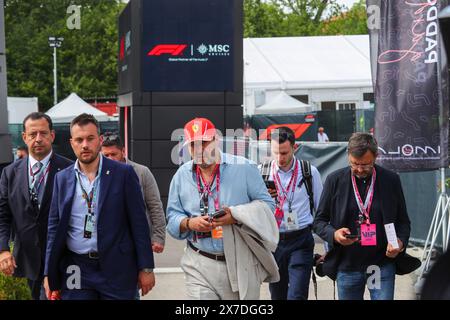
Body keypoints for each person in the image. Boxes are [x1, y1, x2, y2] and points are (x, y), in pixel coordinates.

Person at [43, 113, 155, 300]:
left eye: (90, 138)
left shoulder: (123, 174)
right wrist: (49, 273)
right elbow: (53, 228)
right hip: (76, 268)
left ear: (100, 141)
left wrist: (146, 267)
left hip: (117, 268)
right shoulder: (62, 179)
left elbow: (139, 223)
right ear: (72, 143)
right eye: (79, 140)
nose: (85, 145)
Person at [166, 118, 279, 300]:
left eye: (204, 143)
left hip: (240, 262)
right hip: (198, 262)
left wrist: (235, 216)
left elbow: (268, 206)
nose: (199, 150)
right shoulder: (181, 175)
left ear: (216, 140)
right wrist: (188, 223)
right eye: (193, 145)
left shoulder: (245, 168)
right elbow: (172, 217)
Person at [313, 132, 411, 300]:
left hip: (381, 263)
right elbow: (319, 222)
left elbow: (403, 221)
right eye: (354, 164)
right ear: (348, 156)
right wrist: (334, 235)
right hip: (347, 265)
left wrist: (400, 243)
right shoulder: (334, 180)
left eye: (366, 165)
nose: (359, 169)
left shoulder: (390, 180)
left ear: (376, 157)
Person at [0, 112, 72, 300]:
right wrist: (3, 249)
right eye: (32, 134)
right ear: (24, 137)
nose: (38, 139)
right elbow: (3, 214)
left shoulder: (70, 170)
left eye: (43, 133)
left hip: (64, 258)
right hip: (28, 259)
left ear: (52, 136)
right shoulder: (10, 173)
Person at [262, 126, 323, 300]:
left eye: (284, 153)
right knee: (277, 295)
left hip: (301, 240)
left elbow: (322, 211)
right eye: (276, 153)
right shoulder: (261, 173)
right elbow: (252, 210)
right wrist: (263, 199)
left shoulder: (310, 172)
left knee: (297, 295)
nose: (280, 158)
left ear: (295, 148)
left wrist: (329, 250)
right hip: (273, 241)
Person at [101, 133, 166, 253]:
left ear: (123, 151)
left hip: (138, 241)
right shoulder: (98, 175)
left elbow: (155, 206)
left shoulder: (142, 172)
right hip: (109, 242)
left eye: (114, 154)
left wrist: (159, 238)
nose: (110, 158)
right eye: (106, 155)